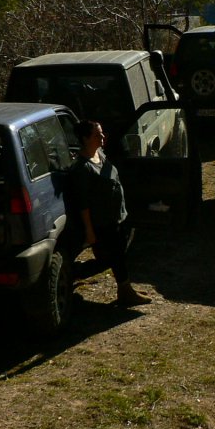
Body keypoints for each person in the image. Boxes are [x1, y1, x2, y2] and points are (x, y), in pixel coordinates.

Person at [69, 119, 152, 307]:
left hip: (117, 216)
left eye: (102, 132)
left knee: (118, 255)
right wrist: (89, 231)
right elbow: (83, 204)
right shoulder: (82, 168)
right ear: (85, 138)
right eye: (97, 134)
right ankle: (76, 273)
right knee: (111, 258)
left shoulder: (99, 153)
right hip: (103, 223)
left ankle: (125, 289)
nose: (102, 136)